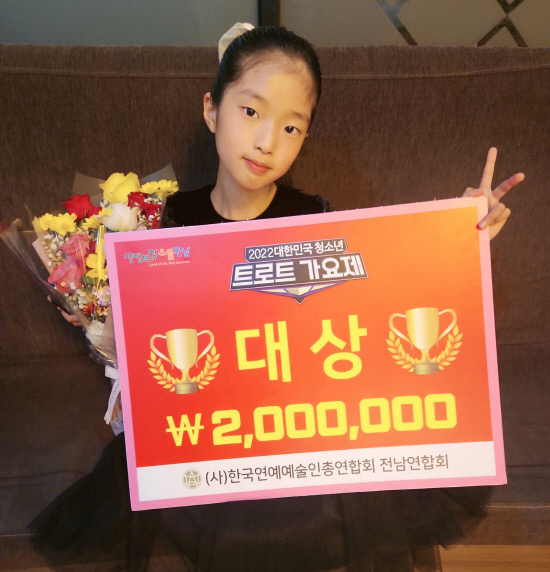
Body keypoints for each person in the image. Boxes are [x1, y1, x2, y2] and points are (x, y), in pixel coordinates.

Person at [36, 24, 524, 572]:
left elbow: (374, 303)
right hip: (213, 432)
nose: (268, 141)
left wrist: (457, 233)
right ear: (211, 110)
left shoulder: (314, 216)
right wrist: (101, 318)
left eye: (292, 127)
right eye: (251, 112)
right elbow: (157, 349)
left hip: (296, 429)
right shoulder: (163, 221)